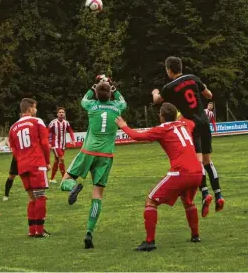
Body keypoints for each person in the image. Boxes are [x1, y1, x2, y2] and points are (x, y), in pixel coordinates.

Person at [116, 103, 202, 251]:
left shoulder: (161, 129)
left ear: (161, 116)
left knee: (151, 200)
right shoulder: (185, 123)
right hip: (197, 172)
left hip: (181, 172)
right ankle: (195, 235)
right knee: (188, 202)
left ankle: (150, 242)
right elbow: (193, 122)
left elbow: (138, 136)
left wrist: (123, 125)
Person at [152, 56, 224, 217]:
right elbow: (209, 95)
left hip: (191, 126)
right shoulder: (193, 78)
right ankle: (219, 195)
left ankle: (205, 193)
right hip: (204, 122)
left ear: (169, 70)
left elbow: (157, 100)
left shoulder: (169, 87)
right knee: (208, 161)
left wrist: (154, 92)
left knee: (198, 162)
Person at [60, 77, 127, 249]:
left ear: (96, 94)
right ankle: (89, 232)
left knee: (65, 180)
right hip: (106, 155)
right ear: (110, 94)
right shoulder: (117, 107)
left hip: (88, 151)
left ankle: (72, 187)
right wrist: (113, 86)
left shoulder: (91, 105)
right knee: (97, 195)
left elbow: (84, 99)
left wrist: (94, 85)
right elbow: (122, 101)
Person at [8, 98, 51, 237]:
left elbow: (14, 149)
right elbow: (45, 143)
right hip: (36, 164)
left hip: (22, 166)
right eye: (35, 107)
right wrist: (47, 161)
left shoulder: (13, 127)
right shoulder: (36, 121)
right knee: (41, 197)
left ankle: (32, 230)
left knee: (33, 198)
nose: (36, 110)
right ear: (30, 109)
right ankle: (40, 229)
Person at [48, 107, 76, 183]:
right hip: (55, 144)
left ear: (64, 114)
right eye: (60, 112)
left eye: (62, 112)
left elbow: (70, 131)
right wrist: (49, 142)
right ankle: (64, 179)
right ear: (57, 114)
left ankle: (52, 178)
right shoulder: (53, 122)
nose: (61, 113)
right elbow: (48, 132)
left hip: (62, 144)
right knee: (62, 159)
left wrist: (73, 139)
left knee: (57, 160)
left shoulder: (66, 123)